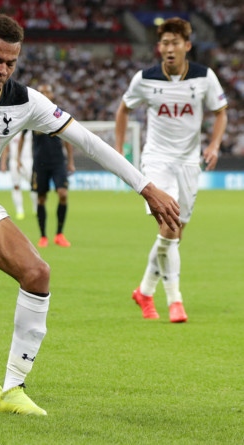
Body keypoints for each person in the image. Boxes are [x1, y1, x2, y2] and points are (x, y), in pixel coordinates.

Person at [0, 14, 180, 416]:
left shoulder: (24, 102)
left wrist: (146, 186)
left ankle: (12, 390)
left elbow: (87, 140)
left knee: (38, 273)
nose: (2, 70)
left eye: (11, 63)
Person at [115, 17, 227, 323]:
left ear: (187, 46)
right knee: (170, 226)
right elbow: (124, 109)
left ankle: (144, 291)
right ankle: (175, 301)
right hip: (157, 161)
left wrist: (214, 144)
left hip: (189, 163)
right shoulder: (145, 79)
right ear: (159, 47)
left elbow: (220, 113)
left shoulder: (205, 78)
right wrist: (120, 149)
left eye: (175, 42)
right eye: (164, 43)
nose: (169, 48)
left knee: (175, 234)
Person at [19, 83, 75, 248]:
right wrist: (18, 158)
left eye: (47, 91)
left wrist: (70, 161)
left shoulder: (59, 114)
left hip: (58, 162)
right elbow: (22, 135)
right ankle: (43, 236)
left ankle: (59, 234)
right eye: (41, 91)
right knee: (41, 198)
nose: (44, 93)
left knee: (63, 194)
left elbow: (69, 138)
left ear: (52, 95)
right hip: (40, 163)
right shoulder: (32, 114)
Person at [0, 130, 34, 220]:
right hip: (14, 161)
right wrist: (3, 163)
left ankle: (35, 208)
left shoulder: (28, 131)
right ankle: (19, 210)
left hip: (28, 160)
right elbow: (6, 147)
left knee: (34, 185)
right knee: (16, 186)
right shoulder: (11, 131)